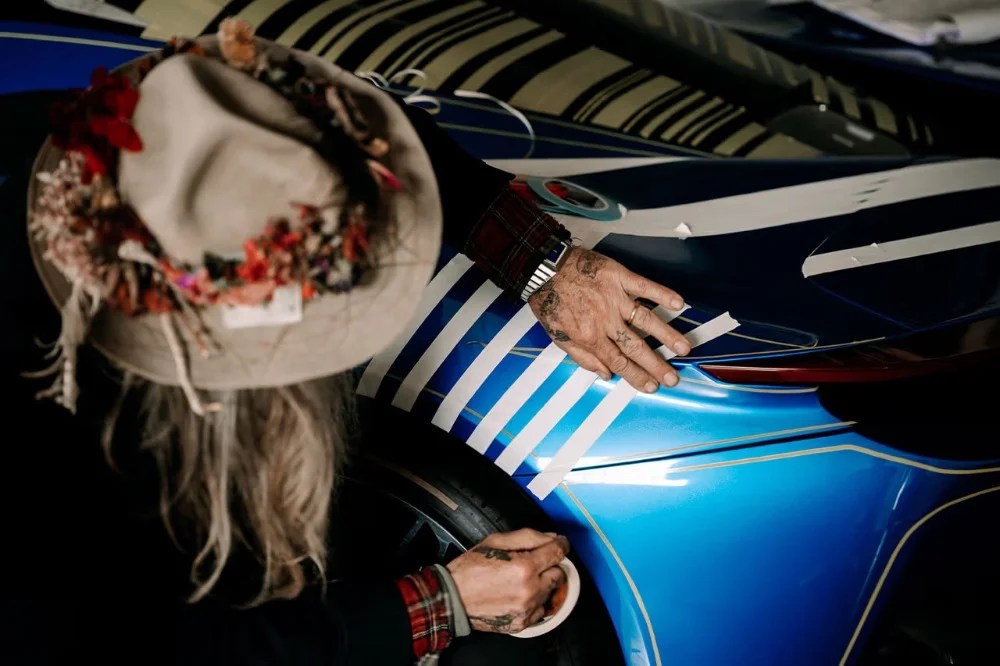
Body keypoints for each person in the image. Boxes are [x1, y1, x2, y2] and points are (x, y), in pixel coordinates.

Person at [0, 19, 689, 666]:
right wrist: (434, 604)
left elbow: (370, 142)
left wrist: (546, 265)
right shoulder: (45, 432)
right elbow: (146, 639)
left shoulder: (164, 134)